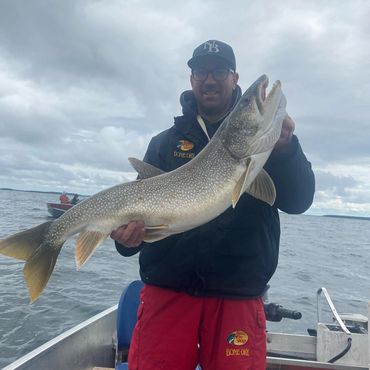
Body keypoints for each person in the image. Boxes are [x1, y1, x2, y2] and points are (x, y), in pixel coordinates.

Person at [111, 40, 315, 370]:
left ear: (234, 78)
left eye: (220, 71)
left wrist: (286, 150)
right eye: (200, 71)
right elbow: (132, 234)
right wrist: (126, 238)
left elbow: (299, 201)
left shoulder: (272, 146)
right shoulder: (164, 144)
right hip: (168, 293)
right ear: (191, 79)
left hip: (238, 297)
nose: (209, 79)